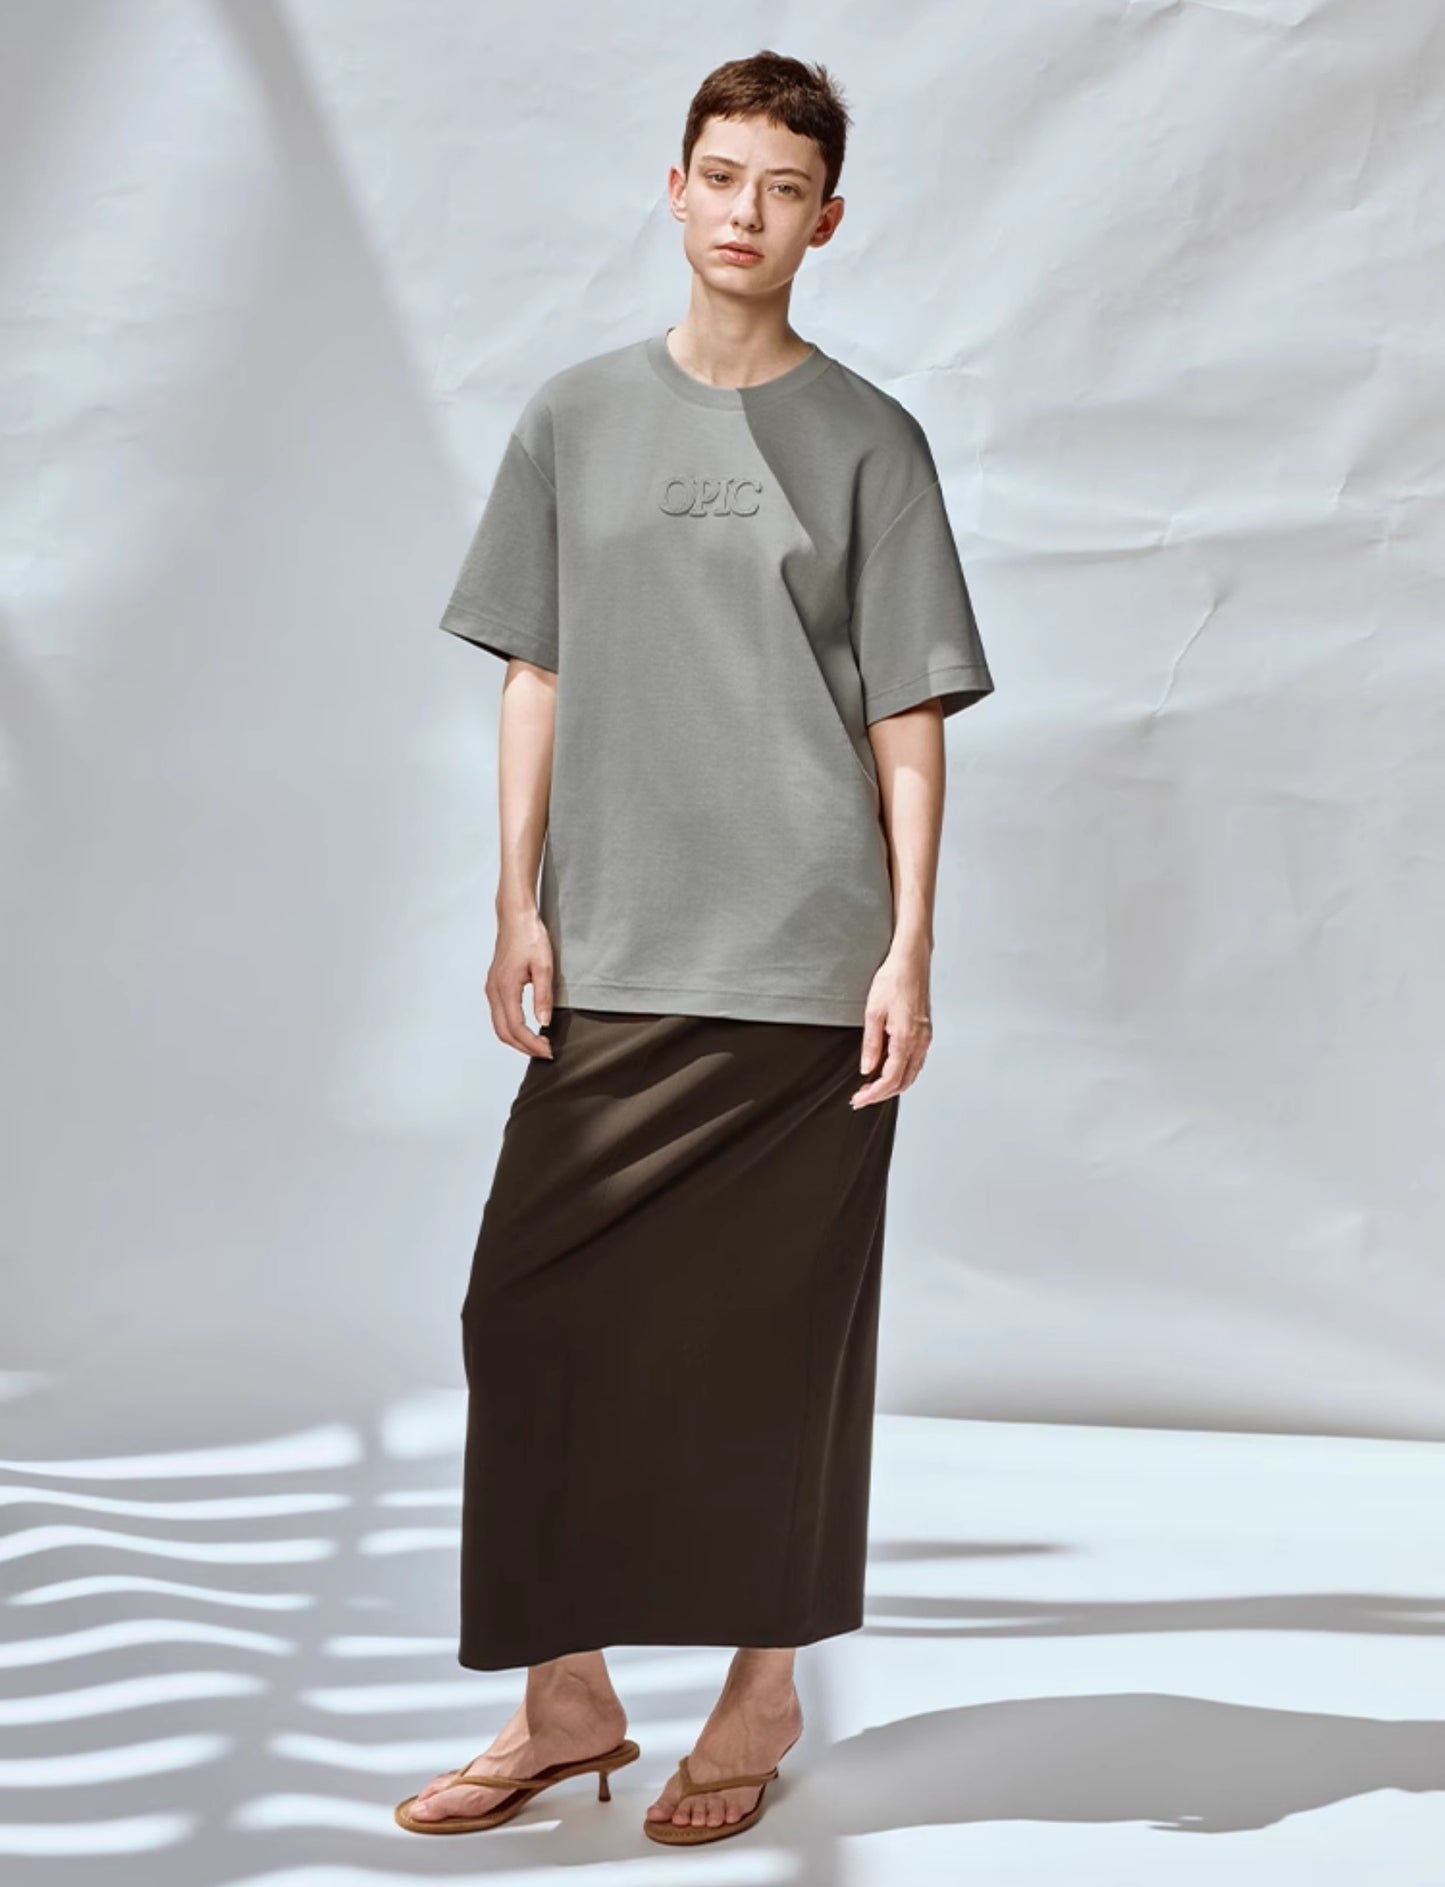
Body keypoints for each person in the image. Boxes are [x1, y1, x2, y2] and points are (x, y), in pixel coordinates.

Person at [394, 47, 995, 1848]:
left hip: (804, 968)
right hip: (616, 949)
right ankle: (565, 1701)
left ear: (827, 220)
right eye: (721, 177)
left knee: (776, 1350)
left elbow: (905, 713)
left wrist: (909, 948)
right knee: (525, 1312)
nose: (747, 213)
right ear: (675, 191)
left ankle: (761, 1688)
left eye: (783, 189)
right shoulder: (574, 417)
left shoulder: (871, 440)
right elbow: (537, 670)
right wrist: (515, 900)